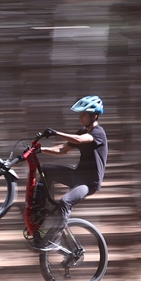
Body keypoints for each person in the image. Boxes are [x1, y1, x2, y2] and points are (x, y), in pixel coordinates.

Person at [33, 95, 108, 251]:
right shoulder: (82, 131)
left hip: (89, 184)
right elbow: (62, 150)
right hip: (77, 175)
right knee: (46, 170)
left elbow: (80, 140)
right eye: (80, 114)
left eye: (84, 114)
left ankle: (51, 239)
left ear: (94, 116)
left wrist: (55, 132)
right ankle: (41, 208)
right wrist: (39, 150)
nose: (80, 117)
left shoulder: (98, 133)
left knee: (65, 202)